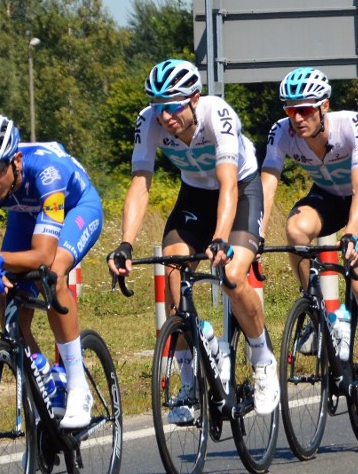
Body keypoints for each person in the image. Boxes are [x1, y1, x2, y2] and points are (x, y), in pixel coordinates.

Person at [107, 58, 279, 422]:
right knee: (174, 267)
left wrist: (219, 238)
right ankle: (188, 385)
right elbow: (141, 183)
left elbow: (229, 184)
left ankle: (262, 358)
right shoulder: (148, 121)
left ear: (194, 98)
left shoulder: (218, 114)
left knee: (232, 275)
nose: (164, 116)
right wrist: (126, 243)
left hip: (241, 189)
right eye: (157, 107)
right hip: (195, 194)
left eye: (172, 107)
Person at [261, 67, 358, 430]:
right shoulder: (281, 133)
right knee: (295, 229)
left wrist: (350, 233)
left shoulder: (352, 125)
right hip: (328, 198)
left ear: (324, 107)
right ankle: (320, 314)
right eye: (291, 110)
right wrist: (253, 235)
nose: (297, 118)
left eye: (305, 110)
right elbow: (267, 185)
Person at [0, 113, 104, 429]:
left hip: (77, 208)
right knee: (8, 294)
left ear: (17, 160)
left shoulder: (47, 172)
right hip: (24, 216)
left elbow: (42, 254)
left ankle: (78, 386)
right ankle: (42, 376)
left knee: (51, 273)